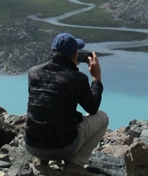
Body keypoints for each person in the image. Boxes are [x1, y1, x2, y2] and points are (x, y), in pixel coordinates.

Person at [25, 32, 109, 176]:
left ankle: (41, 162)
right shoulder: (77, 78)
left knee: (44, 111)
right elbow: (93, 108)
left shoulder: (33, 72)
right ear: (74, 55)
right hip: (62, 148)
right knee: (102, 117)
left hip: (31, 145)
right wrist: (96, 78)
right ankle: (74, 165)